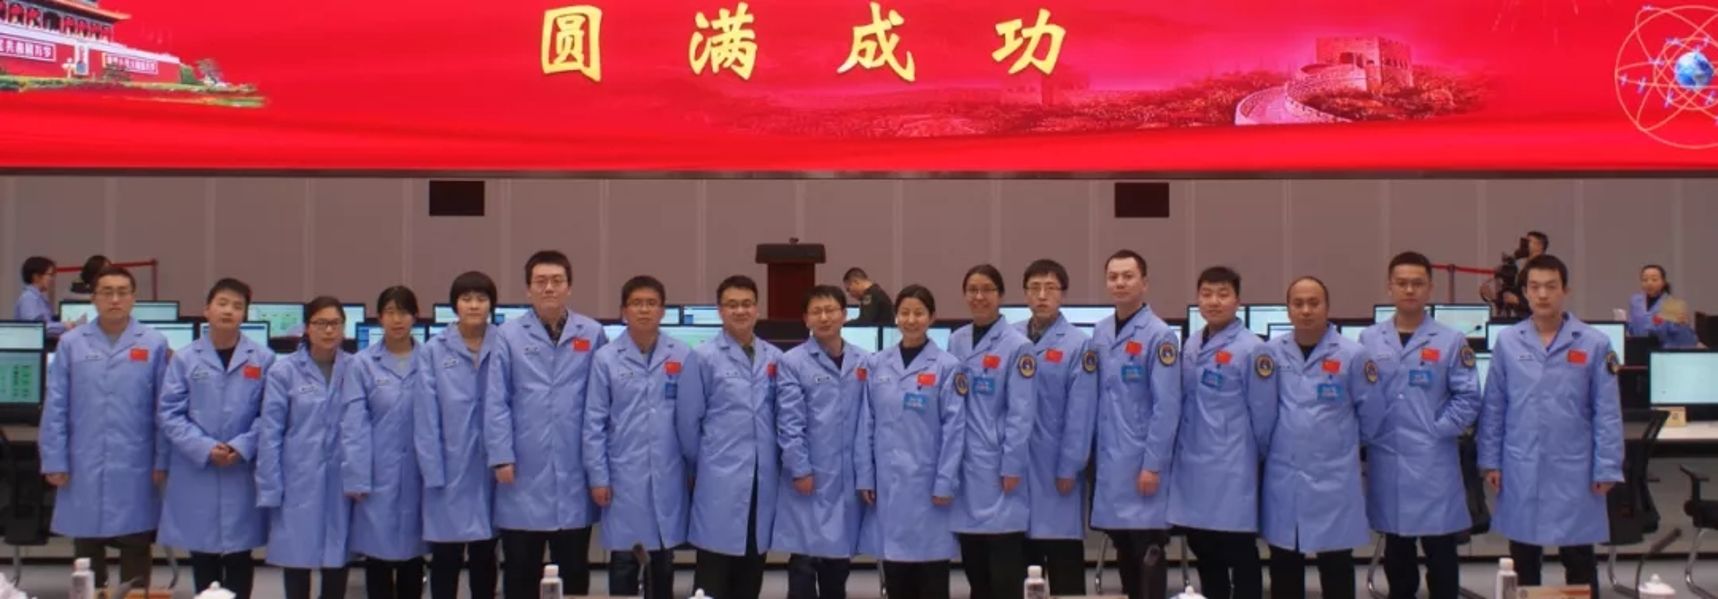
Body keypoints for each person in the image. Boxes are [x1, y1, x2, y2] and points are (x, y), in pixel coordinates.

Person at [1479, 254, 1623, 599]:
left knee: (1579, 557)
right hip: (1521, 463)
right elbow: (1495, 406)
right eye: (1535, 287)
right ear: (1525, 292)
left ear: (1565, 290)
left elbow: (1607, 411)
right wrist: (1490, 461)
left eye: (1551, 286)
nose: (1542, 294)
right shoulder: (1508, 341)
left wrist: (1607, 467)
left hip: (1575, 466)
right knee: (1523, 556)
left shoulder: (1594, 342)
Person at [1358, 252, 1483, 599]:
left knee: (1440, 551)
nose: (1409, 290)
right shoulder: (1369, 340)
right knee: (1397, 551)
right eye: (1402, 283)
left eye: (1417, 283)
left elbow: (1468, 397)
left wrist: (1436, 429)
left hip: (1433, 460)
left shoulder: (1451, 340)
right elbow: (1361, 394)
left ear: (1430, 288)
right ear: (1389, 287)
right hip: (1387, 457)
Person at [485, 251, 608, 599]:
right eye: (541, 282)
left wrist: (599, 467)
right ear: (528, 289)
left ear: (569, 287)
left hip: (574, 465)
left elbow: (602, 402)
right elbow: (496, 400)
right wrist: (501, 456)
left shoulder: (592, 333)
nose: (549, 288)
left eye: (557, 281)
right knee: (521, 570)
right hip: (522, 469)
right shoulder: (508, 335)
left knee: (574, 569)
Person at [39, 265, 169, 591]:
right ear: (93, 298)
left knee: (136, 543)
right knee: (86, 548)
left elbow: (163, 409)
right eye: (107, 292)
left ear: (133, 298)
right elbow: (56, 405)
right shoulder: (72, 343)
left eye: (122, 292)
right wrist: (54, 460)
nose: (114, 299)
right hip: (83, 460)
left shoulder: (153, 343)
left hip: (136, 461)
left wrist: (162, 460)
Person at [1261, 276, 1378, 599]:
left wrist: (1338, 443)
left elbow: (1371, 414)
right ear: (1287, 310)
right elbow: (1262, 410)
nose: (1306, 310)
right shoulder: (1270, 353)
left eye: (1314, 303)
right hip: (1285, 473)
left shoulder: (1354, 355)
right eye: (1298, 303)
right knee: (1284, 562)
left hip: (1334, 476)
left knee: (1336, 563)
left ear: (1327, 307)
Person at [158, 278, 274, 599]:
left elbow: (270, 414)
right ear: (206, 309)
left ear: (245, 314)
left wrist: (241, 446)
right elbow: (169, 413)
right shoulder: (185, 359)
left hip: (240, 467)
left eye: (237, 306)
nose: (228, 311)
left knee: (240, 553)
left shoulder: (263, 359)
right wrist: (206, 448)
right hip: (199, 467)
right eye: (222, 303)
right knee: (203, 552)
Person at [585, 276, 700, 599]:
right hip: (623, 474)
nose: (644, 310)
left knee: (662, 557)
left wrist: (693, 468)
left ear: (662, 310)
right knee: (624, 557)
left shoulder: (682, 354)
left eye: (651, 303)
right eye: (637, 303)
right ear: (624, 311)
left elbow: (691, 418)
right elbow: (594, 423)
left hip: (669, 470)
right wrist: (598, 476)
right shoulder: (606, 358)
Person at [1167, 266, 1273, 599]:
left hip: (1232, 464)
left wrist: (1253, 457)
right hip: (1193, 463)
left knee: (1238, 548)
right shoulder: (1192, 343)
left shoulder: (1252, 348)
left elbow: (1264, 415)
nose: (1214, 301)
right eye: (1207, 294)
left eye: (1223, 294)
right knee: (1204, 546)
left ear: (1237, 300)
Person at [856, 285, 964, 599]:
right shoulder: (877, 364)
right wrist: (865, 476)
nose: (911, 320)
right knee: (896, 575)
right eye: (905, 313)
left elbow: (954, 430)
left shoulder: (947, 366)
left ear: (932, 317)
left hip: (929, 486)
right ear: (895, 317)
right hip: (888, 485)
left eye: (919, 313)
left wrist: (945, 481)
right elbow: (866, 423)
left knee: (931, 576)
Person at [684, 275, 785, 599]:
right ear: (720, 310)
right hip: (718, 477)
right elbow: (688, 422)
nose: (740, 311)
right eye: (731, 305)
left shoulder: (774, 357)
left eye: (746, 304)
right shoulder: (703, 357)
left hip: (762, 477)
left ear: (757, 309)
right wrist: (701, 465)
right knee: (713, 572)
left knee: (751, 569)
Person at [1090, 250, 1181, 599]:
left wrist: (1153, 465)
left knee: (1148, 549)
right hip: (1111, 462)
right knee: (1124, 548)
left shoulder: (1160, 336)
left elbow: (1166, 406)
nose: (1120, 283)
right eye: (1113, 277)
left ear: (1144, 283)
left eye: (1128, 276)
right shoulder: (1100, 332)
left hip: (1143, 462)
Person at [257, 297, 356, 599]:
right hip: (298, 479)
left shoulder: (356, 368)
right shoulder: (284, 372)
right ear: (307, 328)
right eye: (320, 323)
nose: (328, 330)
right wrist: (270, 486)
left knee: (337, 561)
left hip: (341, 479)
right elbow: (270, 433)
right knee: (296, 560)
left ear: (344, 328)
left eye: (335, 323)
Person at [946, 264, 1035, 599]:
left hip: (998, 465)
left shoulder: (1018, 346)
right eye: (972, 290)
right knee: (974, 566)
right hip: (963, 463)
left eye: (987, 290)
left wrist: (1012, 464)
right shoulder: (956, 340)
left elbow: (1021, 412)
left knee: (1003, 567)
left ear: (1000, 295)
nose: (979, 296)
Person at [774, 285, 869, 599]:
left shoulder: (865, 361)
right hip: (810, 476)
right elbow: (789, 421)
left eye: (831, 310)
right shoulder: (793, 362)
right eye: (816, 311)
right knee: (804, 561)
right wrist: (799, 468)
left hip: (848, 476)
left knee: (838, 564)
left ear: (845, 315)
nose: (824, 317)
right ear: (806, 318)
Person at [416, 272, 502, 599]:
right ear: (455, 305)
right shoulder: (434, 350)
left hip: (491, 465)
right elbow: (426, 417)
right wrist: (432, 471)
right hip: (449, 466)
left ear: (491, 304)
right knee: (446, 556)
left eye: (481, 298)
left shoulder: (504, 343)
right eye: (466, 299)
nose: (474, 305)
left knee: (485, 555)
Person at [1015, 260, 1097, 597]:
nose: (1042, 295)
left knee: (1063, 568)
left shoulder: (1078, 344)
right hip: (1017, 467)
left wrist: (1069, 466)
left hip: (1056, 468)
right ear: (1025, 294)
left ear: (1063, 294)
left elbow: (1082, 413)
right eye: (1034, 288)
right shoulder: (1010, 338)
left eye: (1050, 288)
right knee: (1022, 569)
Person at [344, 287, 429, 599]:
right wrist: (356, 475)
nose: (397, 319)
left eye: (404, 312)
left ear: (415, 317)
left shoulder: (430, 359)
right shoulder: (362, 363)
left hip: (419, 469)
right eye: (390, 312)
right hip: (377, 471)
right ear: (379, 317)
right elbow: (354, 424)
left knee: (413, 556)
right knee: (377, 555)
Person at [14, 256, 71, 338]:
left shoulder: (38, 297)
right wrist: (64, 326)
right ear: (36, 277)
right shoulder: (29, 299)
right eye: (50, 275)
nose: (52, 279)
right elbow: (35, 328)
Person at [1626, 265, 1672, 336]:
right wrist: (1623, 322)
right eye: (1645, 280)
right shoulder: (1635, 301)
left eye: (1654, 279)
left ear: (1663, 282)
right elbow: (1632, 328)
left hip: (1660, 342)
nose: (1649, 283)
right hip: (1637, 342)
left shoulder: (1670, 303)